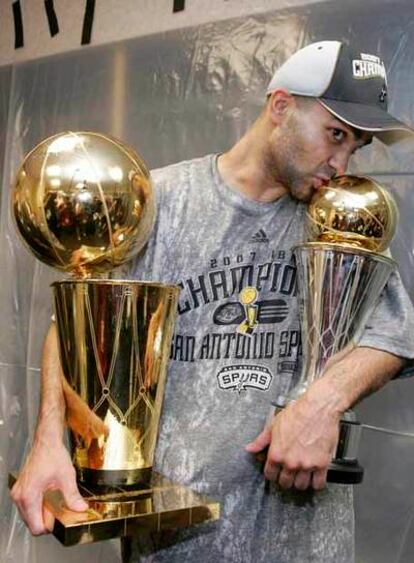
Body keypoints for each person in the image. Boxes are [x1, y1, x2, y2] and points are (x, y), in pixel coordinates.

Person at [11, 40, 414, 562]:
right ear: (281, 106)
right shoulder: (161, 201)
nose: (340, 163)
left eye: (354, 147)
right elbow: (76, 325)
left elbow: (395, 333)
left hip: (306, 544)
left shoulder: (340, 214)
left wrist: (322, 402)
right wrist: (46, 440)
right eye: (334, 134)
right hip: (180, 543)